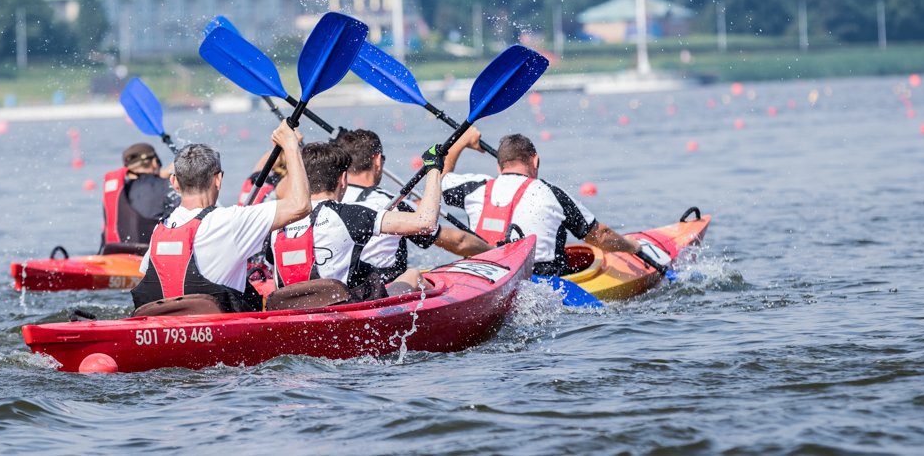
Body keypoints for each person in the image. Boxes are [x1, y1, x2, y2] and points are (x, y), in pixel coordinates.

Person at [130, 120, 310, 312]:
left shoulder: (161, 228)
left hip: (164, 330)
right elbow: (300, 205)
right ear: (218, 180)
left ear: (174, 182)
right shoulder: (232, 221)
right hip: (225, 335)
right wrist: (291, 146)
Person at [441, 128, 671, 276]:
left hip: (484, 275)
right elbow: (599, 237)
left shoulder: (477, 187)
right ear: (535, 160)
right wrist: (634, 246)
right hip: (541, 284)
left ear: (499, 167)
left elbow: (440, 179)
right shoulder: (551, 193)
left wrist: (461, 141)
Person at [268, 141, 443, 303]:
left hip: (288, 313)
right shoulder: (350, 215)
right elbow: (425, 222)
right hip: (344, 315)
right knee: (412, 275)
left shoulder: (276, 221)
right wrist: (434, 169)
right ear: (343, 179)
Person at [333, 128, 492, 284]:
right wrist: (493, 252)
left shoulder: (328, 200)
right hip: (384, 292)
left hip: (340, 287)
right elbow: (459, 242)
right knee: (414, 276)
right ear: (377, 160)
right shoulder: (394, 204)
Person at [99, 143, 180, 254]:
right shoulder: (167, 187)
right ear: (154, 162)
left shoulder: (118, 192)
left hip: (112, 255)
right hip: (147, 258)